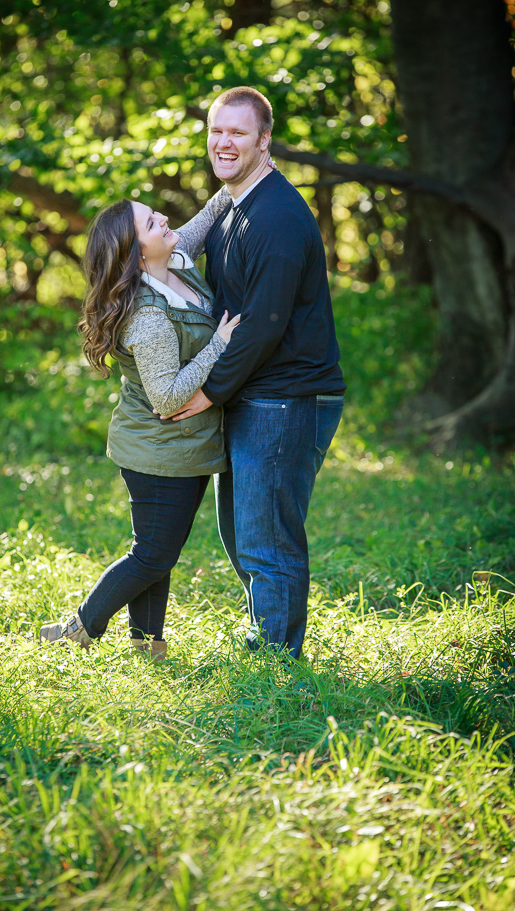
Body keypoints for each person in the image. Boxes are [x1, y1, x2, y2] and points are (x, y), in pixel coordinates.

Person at [165, 86, 346, 660]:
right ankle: (266, 636)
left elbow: (264, 324)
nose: (223, 142)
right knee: (241, 532)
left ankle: (277, 657)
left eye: (238, 133)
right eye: (216, 131)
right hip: (255, 392)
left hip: (287, 396)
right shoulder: (234, 203)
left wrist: (207, 389)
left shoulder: (277, 217)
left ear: (265, 141)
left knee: (267, 537)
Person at [39, 187, 239, 659]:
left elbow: (198, 224)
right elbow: (167, 397)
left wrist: (231, 186)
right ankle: (78, 629)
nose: (165, 220)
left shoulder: (174, 262)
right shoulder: (148, 316)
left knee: (157, 553)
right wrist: (220, 343)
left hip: (182, 447)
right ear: (135, 252)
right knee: (151, 554)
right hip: (157, 450)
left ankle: (148, 644)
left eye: (156, 215)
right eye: (152, 223)